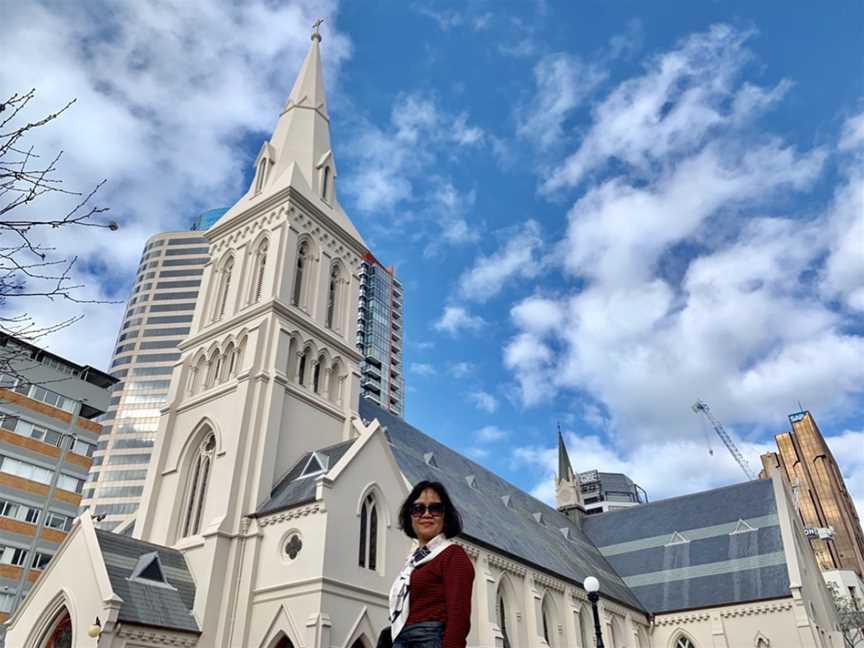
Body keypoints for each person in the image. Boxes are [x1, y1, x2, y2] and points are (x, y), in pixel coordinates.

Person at [388, 480, 474, 648]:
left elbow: (459, 617)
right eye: (418, 508)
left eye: (435, 509)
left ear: (445, 517)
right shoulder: (413, 561)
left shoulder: (453, 554)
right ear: (410, 516)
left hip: (430, 640)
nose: (426, 514)